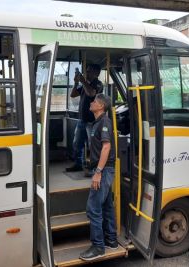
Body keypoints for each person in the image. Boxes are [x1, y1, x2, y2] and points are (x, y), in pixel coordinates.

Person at [80, 93, 118, 261]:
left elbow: (106, 147)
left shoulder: (104, 122)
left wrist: (98, 172)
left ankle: (98, 247)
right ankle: (111, 240)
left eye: (94, 101)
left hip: (104, 170)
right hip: (104, 169)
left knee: (93, 208)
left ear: (101, 106)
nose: (91, 102)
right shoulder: (97, 122)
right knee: (107, 206)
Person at [66, 64, 103, 172]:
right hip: (82, 119)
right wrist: (76, 82)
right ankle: (78, 164)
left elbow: (91, 93)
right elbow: (73, 94)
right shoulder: (85, 84)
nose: (87, 73)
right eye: (86, 71)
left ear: (97, 73)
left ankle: (95, 168)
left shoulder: (98, 84)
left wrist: (83, 81)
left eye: (89, 71)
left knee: (93, 145)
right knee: (77, 143)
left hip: (92, 121)